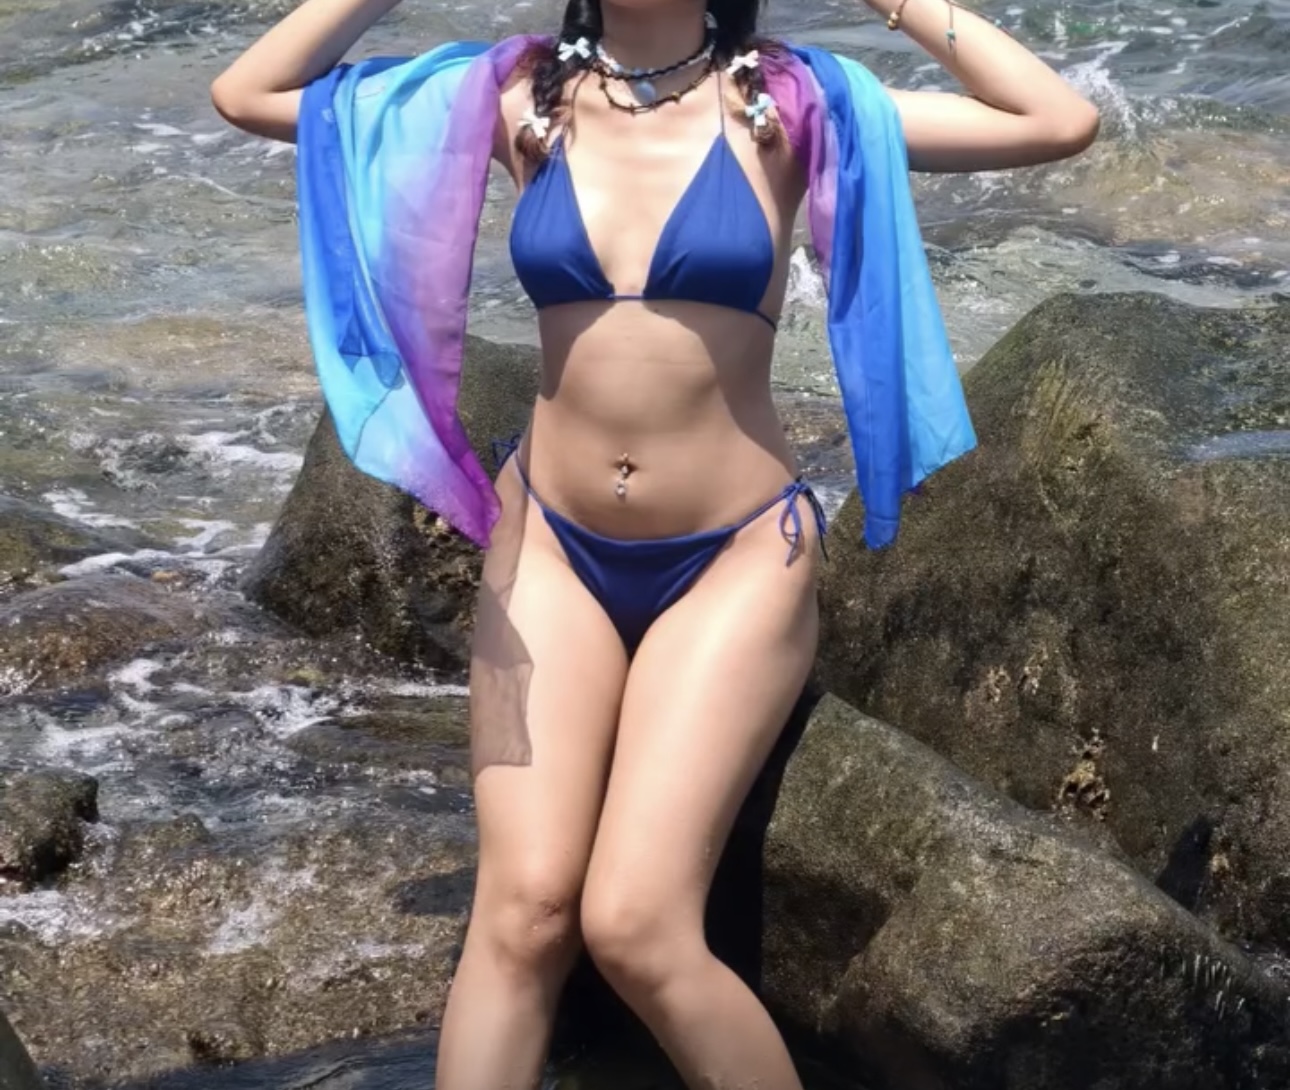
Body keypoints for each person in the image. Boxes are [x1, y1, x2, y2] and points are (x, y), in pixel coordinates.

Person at [211, 1, 1098, 1087]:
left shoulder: (788, 103)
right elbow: (249, 93)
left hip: (733, 558)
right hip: (550, 548)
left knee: (636, 927)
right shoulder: (520, 98)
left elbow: (1055, 119)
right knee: (525, 913)